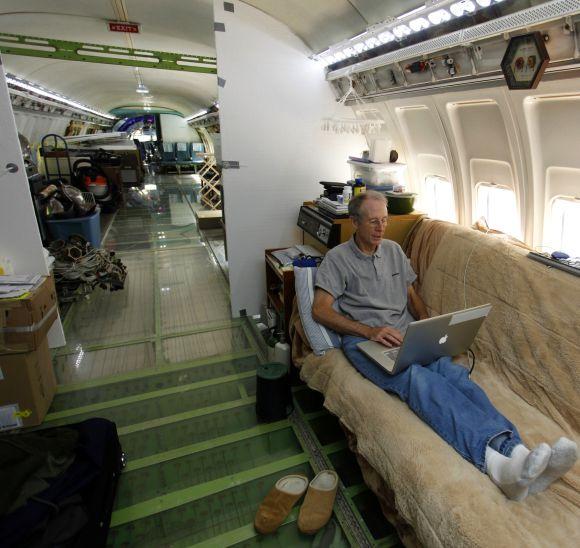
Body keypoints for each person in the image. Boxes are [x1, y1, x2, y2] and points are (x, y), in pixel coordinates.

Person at [311, 190, 577, 501]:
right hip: (366, 341)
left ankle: (516, 453)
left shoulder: (394, 251)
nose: (381, 228)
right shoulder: (337, 259)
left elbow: (412, 295)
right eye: (373, 222)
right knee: (419, 381)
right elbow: (320, 310)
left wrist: (428, 327)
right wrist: (368, 330)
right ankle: (496, 466)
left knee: (454, 377)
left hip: (408, 334)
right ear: (355, 222)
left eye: (385, 220)